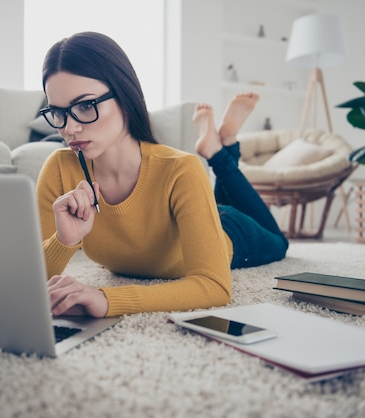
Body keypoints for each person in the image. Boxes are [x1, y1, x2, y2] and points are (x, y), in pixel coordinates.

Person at [36, 32, 288, 318]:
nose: (69, 128)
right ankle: (223, 144)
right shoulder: (59, 169)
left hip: (230, 230)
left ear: (126, 96)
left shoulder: (182, 169)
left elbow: (214, 286)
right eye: (57, 112)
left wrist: (106, 300)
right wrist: (64, 240)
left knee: (280, 243)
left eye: (85, 106)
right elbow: (29, 279)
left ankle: (220, 154)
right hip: (190, 211)